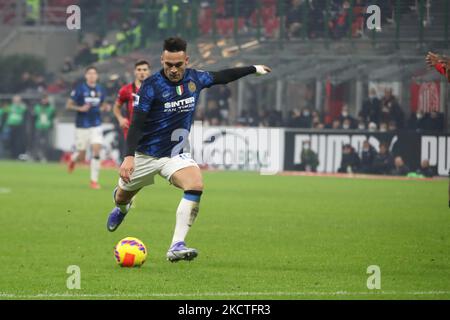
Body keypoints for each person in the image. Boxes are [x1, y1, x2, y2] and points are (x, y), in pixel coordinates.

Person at [106, 37, 271, 262]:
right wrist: (128, 157)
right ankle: (121, 210)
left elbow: (223, 76)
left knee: (195, 185)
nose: (173, 69)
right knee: (123, 197)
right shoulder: (151, 86)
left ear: (186, 60)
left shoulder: (196, 78)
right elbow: (137, 122)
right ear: (162, 60)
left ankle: (176, 245)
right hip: (146, 154)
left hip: (176, 154)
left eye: (178, 64)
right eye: (169, 65)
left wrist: (253, 68)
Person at [66, 66, 111, 189]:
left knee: (97, 151)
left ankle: (94, 181)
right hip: (82, 125)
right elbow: (68, 105)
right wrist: (79, 108)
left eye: (94, 73)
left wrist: (106, 108)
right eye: (89, 73)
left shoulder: (101, 89)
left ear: (97, 76)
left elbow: (103, 105)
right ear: (86, 76)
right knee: (82, 156)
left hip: (96, 124)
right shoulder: (80, 89)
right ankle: (73, 159)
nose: (92, 75)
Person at [113, 60, 151, 140]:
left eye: (144, 70)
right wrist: (120, 119)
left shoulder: (155, 89)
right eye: (139, 70)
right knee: (132, 152)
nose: (142, 72)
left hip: (150, 130)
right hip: (132, 130)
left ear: (149, 72)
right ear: (135, 72)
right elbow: (116, 107)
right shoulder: (126, 89)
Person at [33, 95, 55, 162]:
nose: (44, 101)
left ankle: (45, 157)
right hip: (38, 127)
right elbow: (34, 116)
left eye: (45, 99)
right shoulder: (37, 107)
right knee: (37, 142)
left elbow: (53, 117)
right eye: (43, 99)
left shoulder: (51, 108)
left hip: (47, 127)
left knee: (46, 143)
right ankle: (35, 156)